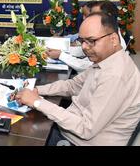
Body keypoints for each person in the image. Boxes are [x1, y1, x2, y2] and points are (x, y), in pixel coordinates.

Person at [16, 12, 140, 146]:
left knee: (19, 137)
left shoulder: (116, 75)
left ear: (114, 39)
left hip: (78, 140)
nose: (85, 47)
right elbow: (73, 85)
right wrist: (36, 90)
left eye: (91, 41)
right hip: (72, 129)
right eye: (82, 41)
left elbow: (85, 129)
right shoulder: (105, 60)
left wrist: (37, 102)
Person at [47, 0, 127, 73]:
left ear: (108, 16)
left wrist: (61, 55)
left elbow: (88, 66)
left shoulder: (114, 43)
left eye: (95, 15)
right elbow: (81, 51)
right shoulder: (103, 34)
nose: (88, 18)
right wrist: (59, 50)